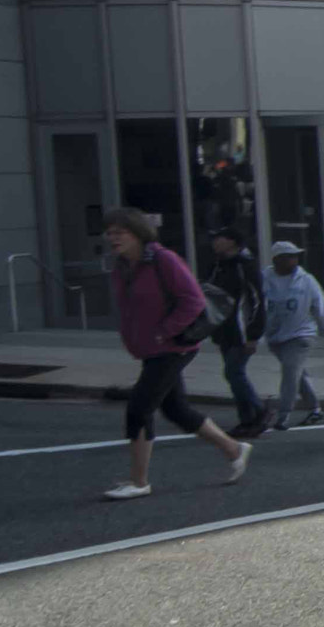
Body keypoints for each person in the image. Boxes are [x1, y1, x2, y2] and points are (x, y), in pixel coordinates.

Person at [100, 207, 250, 500]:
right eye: (109, 233)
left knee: (139, 408)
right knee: (175, 409)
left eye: (120, 232)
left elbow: (193, 301)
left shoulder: (163, 260)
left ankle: (139, 481)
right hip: (152, 349)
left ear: (138, 232)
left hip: (173, 346)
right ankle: (234, 449)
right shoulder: (122, 266)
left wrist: (164, 331)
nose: (113, 238)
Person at [260, 239, 324, 429]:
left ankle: (283, 415)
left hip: (301, 335)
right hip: (276, 336)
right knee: (297, 374)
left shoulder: (306, 281)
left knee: (290, 373)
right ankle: (315, 408)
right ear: (277, 259)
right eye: (289, 257)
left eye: (295, 256)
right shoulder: (264, 278)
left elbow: (321, 307)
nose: (294, 260)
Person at [206, 225, 268, 438]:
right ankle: (247, 420)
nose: (215, 242)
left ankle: (260, 410)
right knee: (233, 375)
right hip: (224, 329)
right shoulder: (219, 266)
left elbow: (257, 300)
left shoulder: (245, 266)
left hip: (242, 331)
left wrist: (254, 334)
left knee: (234, 372)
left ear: (232, 241)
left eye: (219, 238)